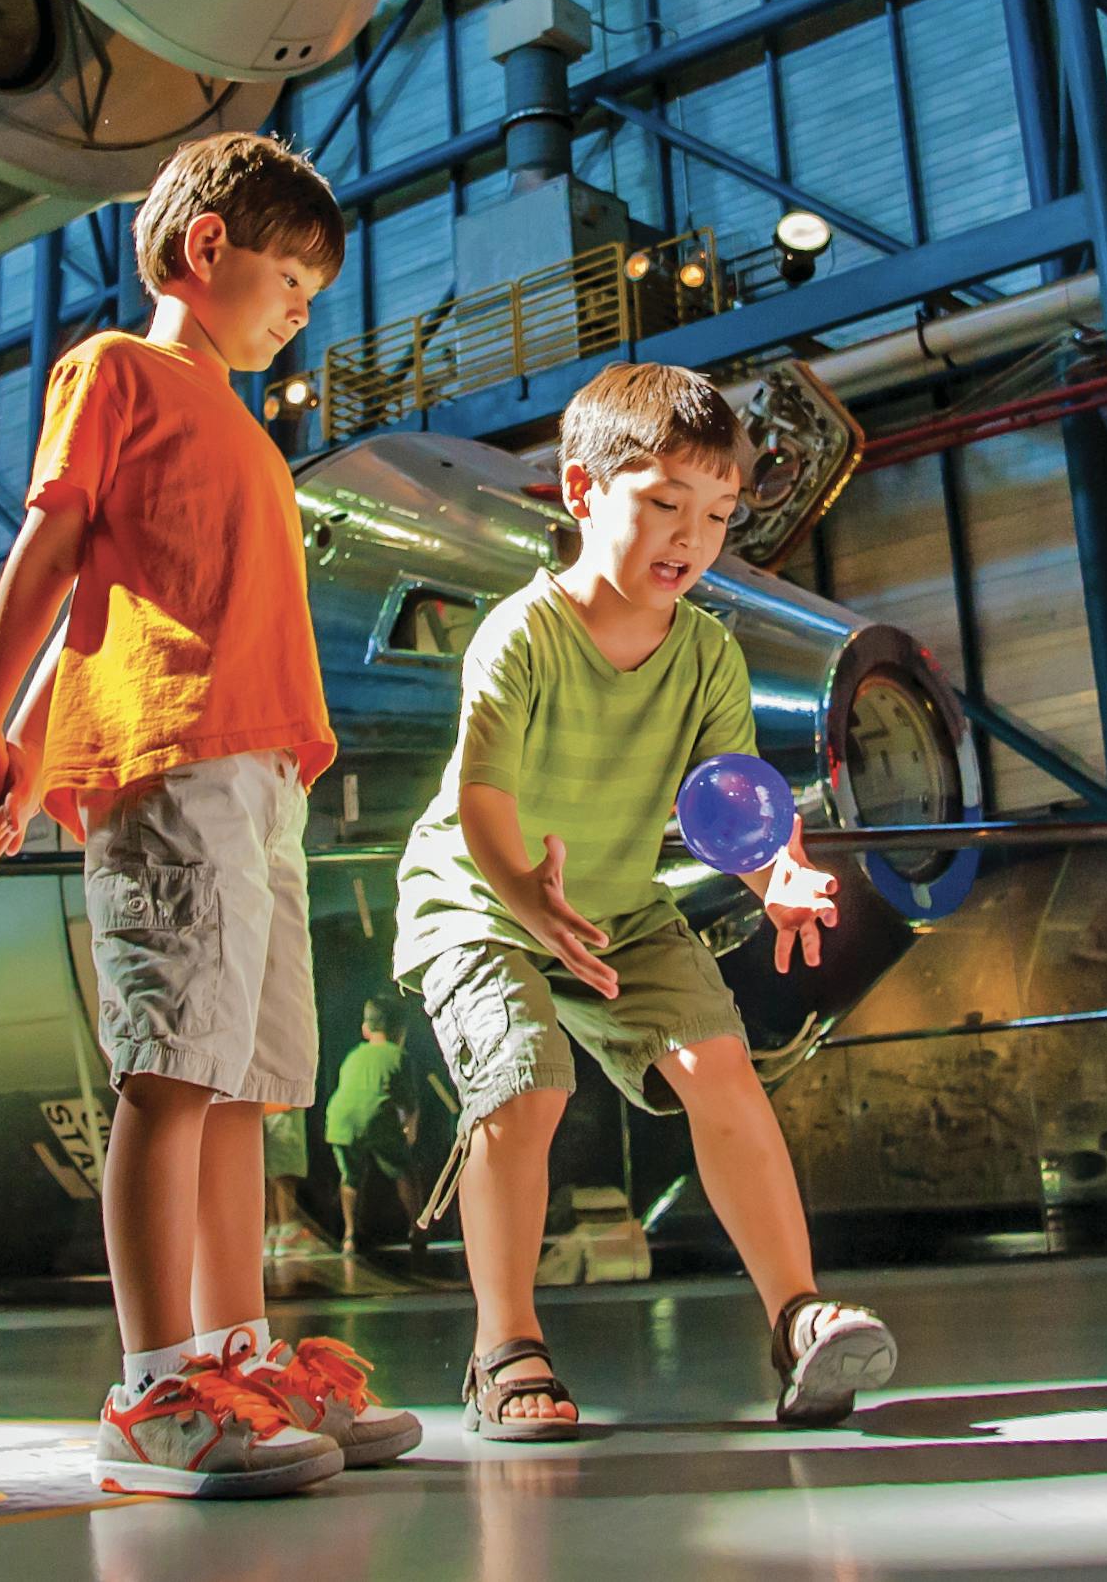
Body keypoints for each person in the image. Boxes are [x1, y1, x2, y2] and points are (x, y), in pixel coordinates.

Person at [0, 130, 418, 1498]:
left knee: (243, 1087)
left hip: (258, 778)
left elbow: (115, 597)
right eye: (289, 275)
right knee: (170, 1072)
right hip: (174, 770)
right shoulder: (119, 371)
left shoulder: (239, 424)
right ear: (206, 244)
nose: (298, 306)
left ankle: (233, 1356)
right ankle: (152, 1381)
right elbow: (55, 547)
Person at [391, 360, 895, 1439]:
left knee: (720, 1067)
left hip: (618, 904)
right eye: (663, 504)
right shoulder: (520, 635)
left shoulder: (707, 651)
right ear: (580, 493)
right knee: (526, 1081)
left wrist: (781, 874)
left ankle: (796, 1318)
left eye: (716, 515)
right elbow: (480, 800)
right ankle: (503, 1346)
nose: (691, 537)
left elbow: (733, 807)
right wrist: (524, 894)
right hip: (482, 898)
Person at [324, 998, 418, 1254]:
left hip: (340, 1121)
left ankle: (349, 1235)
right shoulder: (398, 1055)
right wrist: (409, 1131)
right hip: (375, 1120)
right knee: (402, 1170)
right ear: (401, 1031)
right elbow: (409, 1104)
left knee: (351, 1177)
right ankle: (417, 1228)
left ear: (366, 1029)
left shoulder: (354, 1055)